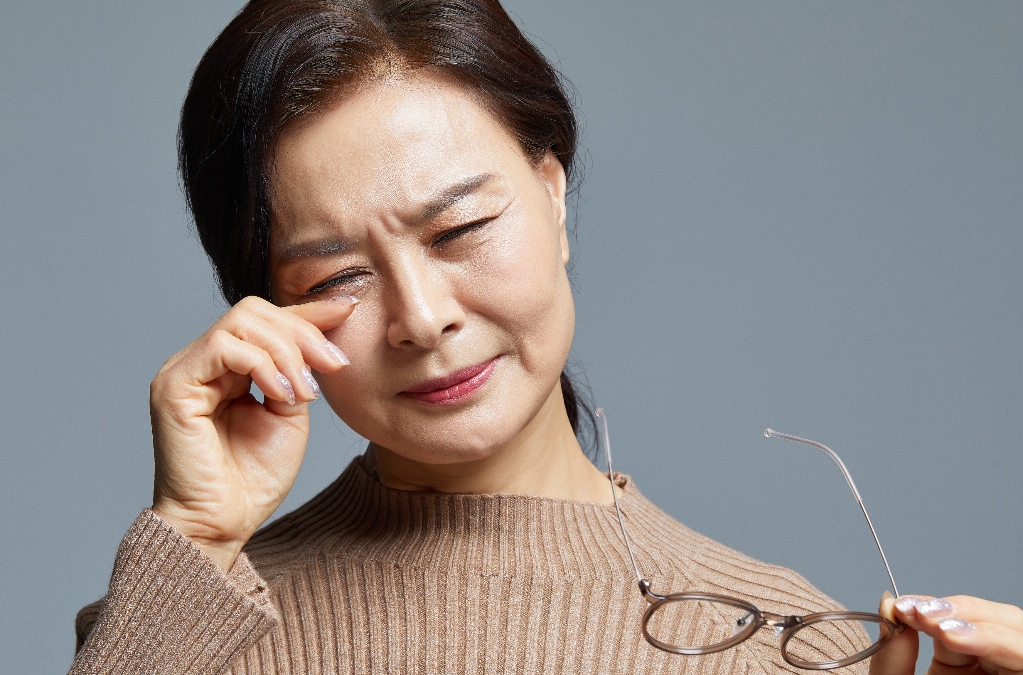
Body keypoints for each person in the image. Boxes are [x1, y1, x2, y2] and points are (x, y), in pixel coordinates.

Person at [70, 1, 1023, 673]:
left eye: (458, 232)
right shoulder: (184, 626)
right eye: (337, 278)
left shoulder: (791, 643)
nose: (423, 316)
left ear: (554, 193)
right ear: (264, 311)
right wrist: (191, 544)